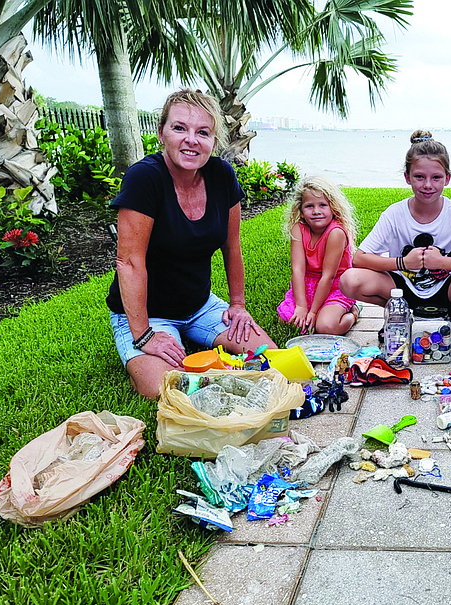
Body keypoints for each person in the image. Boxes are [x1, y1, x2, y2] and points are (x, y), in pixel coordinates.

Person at [106, 89, 275, 398]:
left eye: (203, 132)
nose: (191, 140)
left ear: (214, 141)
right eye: (179, 128)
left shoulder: (221, 175)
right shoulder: (145, 178)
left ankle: (191, 339)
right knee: (170, 390)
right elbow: (129, 263)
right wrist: (145, 335)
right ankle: (140, 360)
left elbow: (231, 245)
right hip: (149, 314)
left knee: (269, 359)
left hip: (201, 306)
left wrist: (237, 305)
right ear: (162, 133)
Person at [339, 130, 451, 338]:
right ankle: (399, 313)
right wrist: (403, 263)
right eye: (419, 177)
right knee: (349, 280)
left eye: (436, 177)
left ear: (448, 178)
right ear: (407, 177)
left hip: (448, 289)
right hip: (401, 290)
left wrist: (442, 262)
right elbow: (359, 258)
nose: (428, 185)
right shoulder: (395, 214)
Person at [277, 176, 359, 335]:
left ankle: (353, 314)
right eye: (309, 206)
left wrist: (313, 312)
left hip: (336, 286)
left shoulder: (336, 233)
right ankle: (310, 310)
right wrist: (301, 307)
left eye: (323, 205)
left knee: (325, 326)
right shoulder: (298, 229)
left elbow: (328, 276)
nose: (316, 211)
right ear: (301, 211)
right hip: (308, 285)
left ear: (333, 208)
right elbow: (297, 270)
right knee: (288, 321)